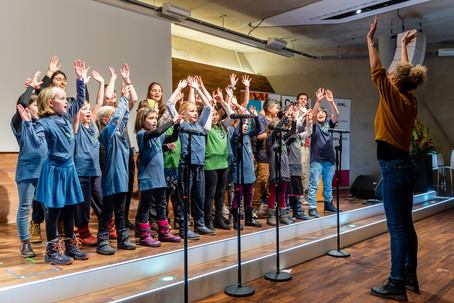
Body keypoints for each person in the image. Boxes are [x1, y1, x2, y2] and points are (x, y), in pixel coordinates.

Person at [367, 16, 427, 301]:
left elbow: (377, 69)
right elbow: (405, 72)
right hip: (406, 166)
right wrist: (403, 46)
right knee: (407, 225)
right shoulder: (410, 98)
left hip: (392, 168)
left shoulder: (392, 95)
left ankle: (396, 283)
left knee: (397, 228)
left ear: (396, 81)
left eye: (394, 74)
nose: (390, 74)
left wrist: (370, 41)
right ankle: (410, 276)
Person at [17, 60, 89, 265]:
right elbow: (34, 141)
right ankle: (52, 249)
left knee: (70, 209)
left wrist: (79, 79)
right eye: (62, 99)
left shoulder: (65, 117)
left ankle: (70, 245)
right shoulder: (44, 122)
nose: (67, 101)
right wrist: (29, 124)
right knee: (55, 211)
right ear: (50, 103)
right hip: (55, 171)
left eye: (66, 99)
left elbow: (81, 98)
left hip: (69, 170)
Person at [167, 78, 213, 239]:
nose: (196, 113)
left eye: (196, 111)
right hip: (186, 165)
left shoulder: (199, 125)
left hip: (199, 165)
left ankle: (199, 224)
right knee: (184, 197)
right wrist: (179, 88)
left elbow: (208, 107)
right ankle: (184, 227)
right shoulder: (181, 124)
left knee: (199, 196)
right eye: (192, 111)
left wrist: (199, 88)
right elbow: (169, 105)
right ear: (184, 113)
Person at [96, 84, 137, 255]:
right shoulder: (107, 134)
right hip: (111, 181)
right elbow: (117, 119)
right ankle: (102, 240)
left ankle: (122, 238)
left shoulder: (120, 136)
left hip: (122, 180)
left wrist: (125, 99)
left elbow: (123, 117)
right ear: (106, 121)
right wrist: (122, 100)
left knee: (121, 211)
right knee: (107, 212)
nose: (119, 120)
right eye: (113, 118)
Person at [135, 107, 182, 247]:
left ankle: (164, 233)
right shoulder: (142, 134)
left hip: (159, 178)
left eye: (155, 118)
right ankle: (144, 235)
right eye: (150, 118)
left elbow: (172, 137)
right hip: (147, 178)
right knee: (146, 206)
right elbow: (156, 132)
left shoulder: (157, 137)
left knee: (162, 205)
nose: (154, 121)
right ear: (142, 121)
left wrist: (177, 125)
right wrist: (171, 123)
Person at [12, 71, 47, 257]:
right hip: (27, 172)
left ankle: (53, 240)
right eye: (36, 105)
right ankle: (25, 242)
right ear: (26, 108)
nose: (39, 108)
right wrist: (31, 87)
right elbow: (23, 103)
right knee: (25, 208)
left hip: (45, 172)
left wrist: (41, 88)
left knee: (49, 207)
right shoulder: (19, 123)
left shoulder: (42, 124)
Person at [72, 69, 105, 246]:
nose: (87, 111)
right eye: (83, 109)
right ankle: (83, 232)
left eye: (88, 108)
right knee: (83, 203)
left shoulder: (92, 123)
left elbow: (99, 103)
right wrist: (81, 84)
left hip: (94, 171)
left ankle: (107, 225)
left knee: (100, 198)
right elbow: (77, 106)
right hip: (81, 171)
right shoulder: (76, 126)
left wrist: (101, 83)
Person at [307, 88, 340, 218]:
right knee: (314, 184)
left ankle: (328, 204)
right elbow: (313, 116)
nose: (320, 114)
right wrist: (318, 102)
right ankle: (312, 207)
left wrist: (331, 102)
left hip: (329, 159)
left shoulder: (328, 124)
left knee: (328, 184)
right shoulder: (314, 125)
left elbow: (336, 115)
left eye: (323, 113)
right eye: (319, 113)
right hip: (317, 159)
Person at [230, 106, 263, 230]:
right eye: (243, 124)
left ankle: (249, 219)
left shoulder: (247, 135)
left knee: (249, 195)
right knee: (238, 197)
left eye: (246, 124)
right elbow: (237, 132)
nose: (245, 126)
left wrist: (255, 116)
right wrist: (242, 119)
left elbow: (259, 129)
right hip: (239, 172)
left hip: (249, 172)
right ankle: (236, 221)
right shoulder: (236, 137)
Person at [266, 106, 297, 226]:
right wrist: (286, 115)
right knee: (274, 192)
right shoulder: (270, 139)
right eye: (278, 129)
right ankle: (270, 216)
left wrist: (293, 118)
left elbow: (292, 129)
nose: (280, 131)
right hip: (275, 170)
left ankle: (283, 215)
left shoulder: (283, 140)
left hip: (284, 170)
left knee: (282, 193)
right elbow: (275, 131)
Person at [252, 99, 279, 220]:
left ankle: (271, 208)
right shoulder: (261, 120)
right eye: (276, 108)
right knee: (262, 181)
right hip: (263, 156)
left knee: (271, 183)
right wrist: (272, 133)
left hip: (274, 155)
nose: (278, 110)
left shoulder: (276, 121)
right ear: (269, 109)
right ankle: (254, 208)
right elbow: (259, 136)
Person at [286, 109, 313, 220]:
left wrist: (309, 120)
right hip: (288, 169)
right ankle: (286, 213)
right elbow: (292, 129)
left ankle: (297, 211)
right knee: (288, 192)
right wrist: (296, 118)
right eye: (294, 126)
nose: (296, 129)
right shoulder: (287, 137)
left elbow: (309, 132)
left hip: (296, 169)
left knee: (296, 193)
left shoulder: (298, 137)